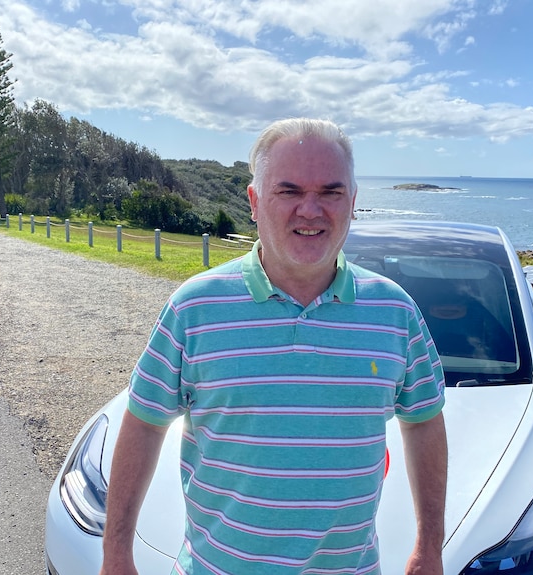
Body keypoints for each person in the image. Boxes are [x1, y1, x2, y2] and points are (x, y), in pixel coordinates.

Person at [100, 118, 447, 575]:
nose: (310, 210)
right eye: (288, 191)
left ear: (353, 201)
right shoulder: (194, 307)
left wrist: (429, 549)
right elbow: (144, 425)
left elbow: (423, 425)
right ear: (254, 201)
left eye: (330, 191)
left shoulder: (396, 312)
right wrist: (116, 554)